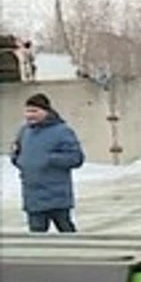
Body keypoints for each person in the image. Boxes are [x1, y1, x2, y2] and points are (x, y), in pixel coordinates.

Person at [10, 92, 85, 233]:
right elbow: (17, 152)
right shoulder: (24, 131)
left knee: (66, 231)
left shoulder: (62, 131)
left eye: (34, 111)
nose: (30, 115)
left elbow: (76, 158)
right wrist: (18, 160)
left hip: (56, 195)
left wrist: (49, 159)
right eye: (27, 111)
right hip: (33, 196)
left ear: (46, 112)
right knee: (36, 237)